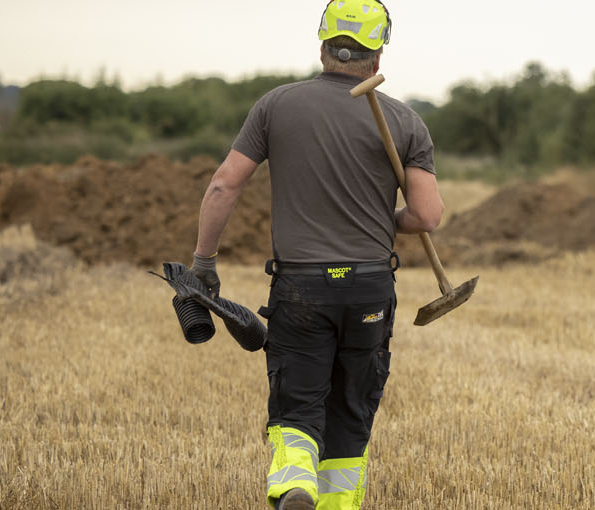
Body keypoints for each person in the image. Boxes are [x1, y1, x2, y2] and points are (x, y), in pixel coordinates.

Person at [189, 1, 442, 508]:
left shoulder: (276, 105)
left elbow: (223, 187)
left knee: (299, 403)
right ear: (378, 55)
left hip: (302, 287)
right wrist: (381, 221)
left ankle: (295, 484)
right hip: (370, 285)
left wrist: (204, 263)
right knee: (351, 410)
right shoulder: (405, 121)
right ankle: (333, 502)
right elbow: (426, 217)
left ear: (323, 44)